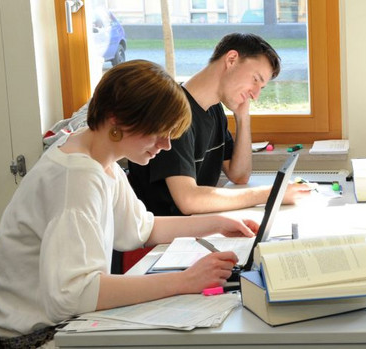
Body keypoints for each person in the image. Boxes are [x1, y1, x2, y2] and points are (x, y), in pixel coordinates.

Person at [0, 60, 258, 347]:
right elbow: (72, 294)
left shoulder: (101, 160)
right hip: (37, 338)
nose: (166, 145)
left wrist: (216, 223)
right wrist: (184, 281)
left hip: (63, 324)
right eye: (159, 132)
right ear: (117, 121)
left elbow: (141, 228)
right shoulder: (76, 177)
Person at [127, 33, 309, 217]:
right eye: (255, 79)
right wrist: (270, 194)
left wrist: (243, 117)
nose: (255, 95)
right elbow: (188, 200)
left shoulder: (214, 109)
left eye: (260, 88)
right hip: (162, 239)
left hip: (194, 229)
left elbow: (239, 175)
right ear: (231, 59)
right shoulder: (173, 112)